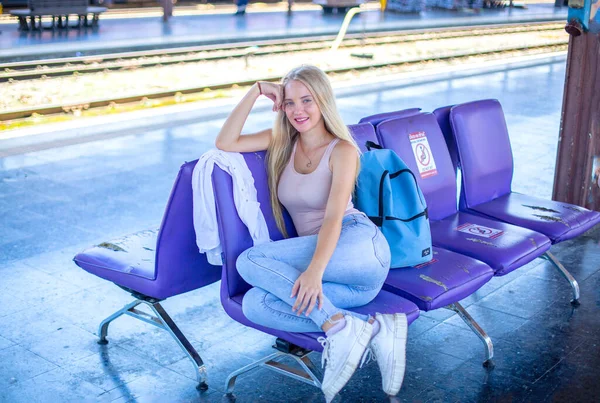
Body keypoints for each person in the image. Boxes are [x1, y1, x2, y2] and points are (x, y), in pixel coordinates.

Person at [214, 65, 408, 402]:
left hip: (359, 247)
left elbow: (334, 217)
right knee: (255, 303)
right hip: (349, 286)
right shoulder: (283, 142)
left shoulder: (343, 150)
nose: (297, 111)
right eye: (289, 103)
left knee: (248, 261)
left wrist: (315, 271)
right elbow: (225, 141)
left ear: (323, 101)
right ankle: (365, 326)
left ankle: (341, 328)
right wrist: (258, 88)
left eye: (307, 100)